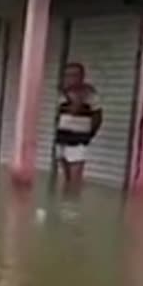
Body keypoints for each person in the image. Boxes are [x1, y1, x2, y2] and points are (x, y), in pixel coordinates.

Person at [54, 62, 103, 192]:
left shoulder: (90, 93)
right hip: (62, 139)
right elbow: (61, 115)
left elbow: (97, 117)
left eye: (74, 75)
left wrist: (88, 135)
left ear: (82, 76)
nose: (71, 78)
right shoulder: (61, 93)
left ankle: (71, 208)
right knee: (65, 178)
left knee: (75, 180)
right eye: (68, 75)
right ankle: (65, 206)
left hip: (78, 140)